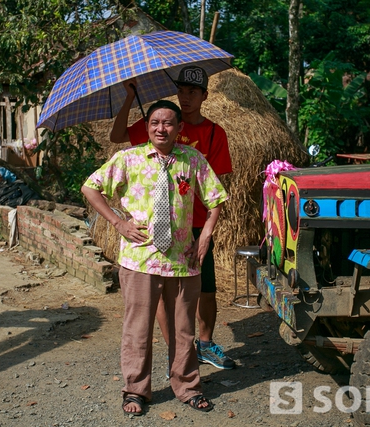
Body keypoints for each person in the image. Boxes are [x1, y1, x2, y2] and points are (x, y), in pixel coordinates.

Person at [82, 100, 228, 415]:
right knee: (138, 327)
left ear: (179, 128)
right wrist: (119, 222)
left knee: (183, 329)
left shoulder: (192, 160)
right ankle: (135, 391)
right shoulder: (128, 159)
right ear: (147, 127)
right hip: (140, 259)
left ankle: (188, 387)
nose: (161, 128)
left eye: (168, 123)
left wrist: (205, 234)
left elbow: (216, 198)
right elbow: (91, 188)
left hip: (183, 259)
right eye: (155, 123)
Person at [110, 66, 235, 371]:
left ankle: (205, 344)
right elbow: (117, 137)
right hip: (161, 224)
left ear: (204, 95)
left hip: (195, 223)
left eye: (193, 92)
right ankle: (177, 352)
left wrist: (206, 231)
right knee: (165, 291)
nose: (186, 97)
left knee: (206, 287)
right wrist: (129, 97)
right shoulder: (163, 123)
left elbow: (217, 184)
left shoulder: (214, 133)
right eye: (182, 91)